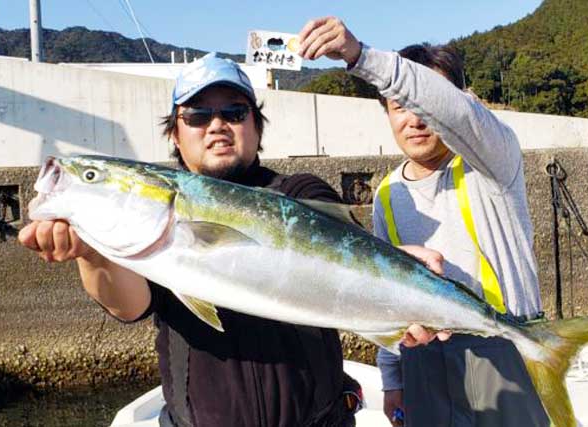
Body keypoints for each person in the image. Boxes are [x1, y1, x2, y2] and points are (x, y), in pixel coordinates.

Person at [19, 53, 360, 427]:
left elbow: (351, 251)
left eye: (234, 113)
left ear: (257, 128)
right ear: (175, 136)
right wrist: (92, 254)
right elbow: (129, 307)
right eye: (197, 116)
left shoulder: (299, 193)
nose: (217, 126)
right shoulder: (150, 236)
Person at [298, 17, 549, 427]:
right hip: (422, 362)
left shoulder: (492, 162)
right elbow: (385, 289)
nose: (414, 119)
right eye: (399, 106)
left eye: (424, 106)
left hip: (504, 348)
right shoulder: (387, 193)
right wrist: (393, 376)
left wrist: (361, 56)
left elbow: (459, 115)